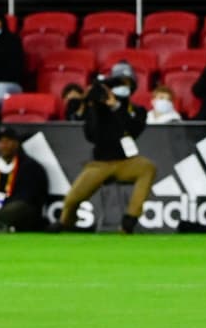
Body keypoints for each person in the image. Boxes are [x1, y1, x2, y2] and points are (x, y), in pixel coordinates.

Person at [55, 72, 153, 234]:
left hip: (125, 162)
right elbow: (92, 135)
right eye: (118, 85)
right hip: (99, 164)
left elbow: (132, 129)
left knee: (148, 168)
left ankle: (130, 219)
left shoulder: (137, 111)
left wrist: (115, 107)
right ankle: (65, 224)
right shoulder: (98, 109)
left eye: (126, 85)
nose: (122, 88)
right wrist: (92, 106)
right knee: (72, 200)